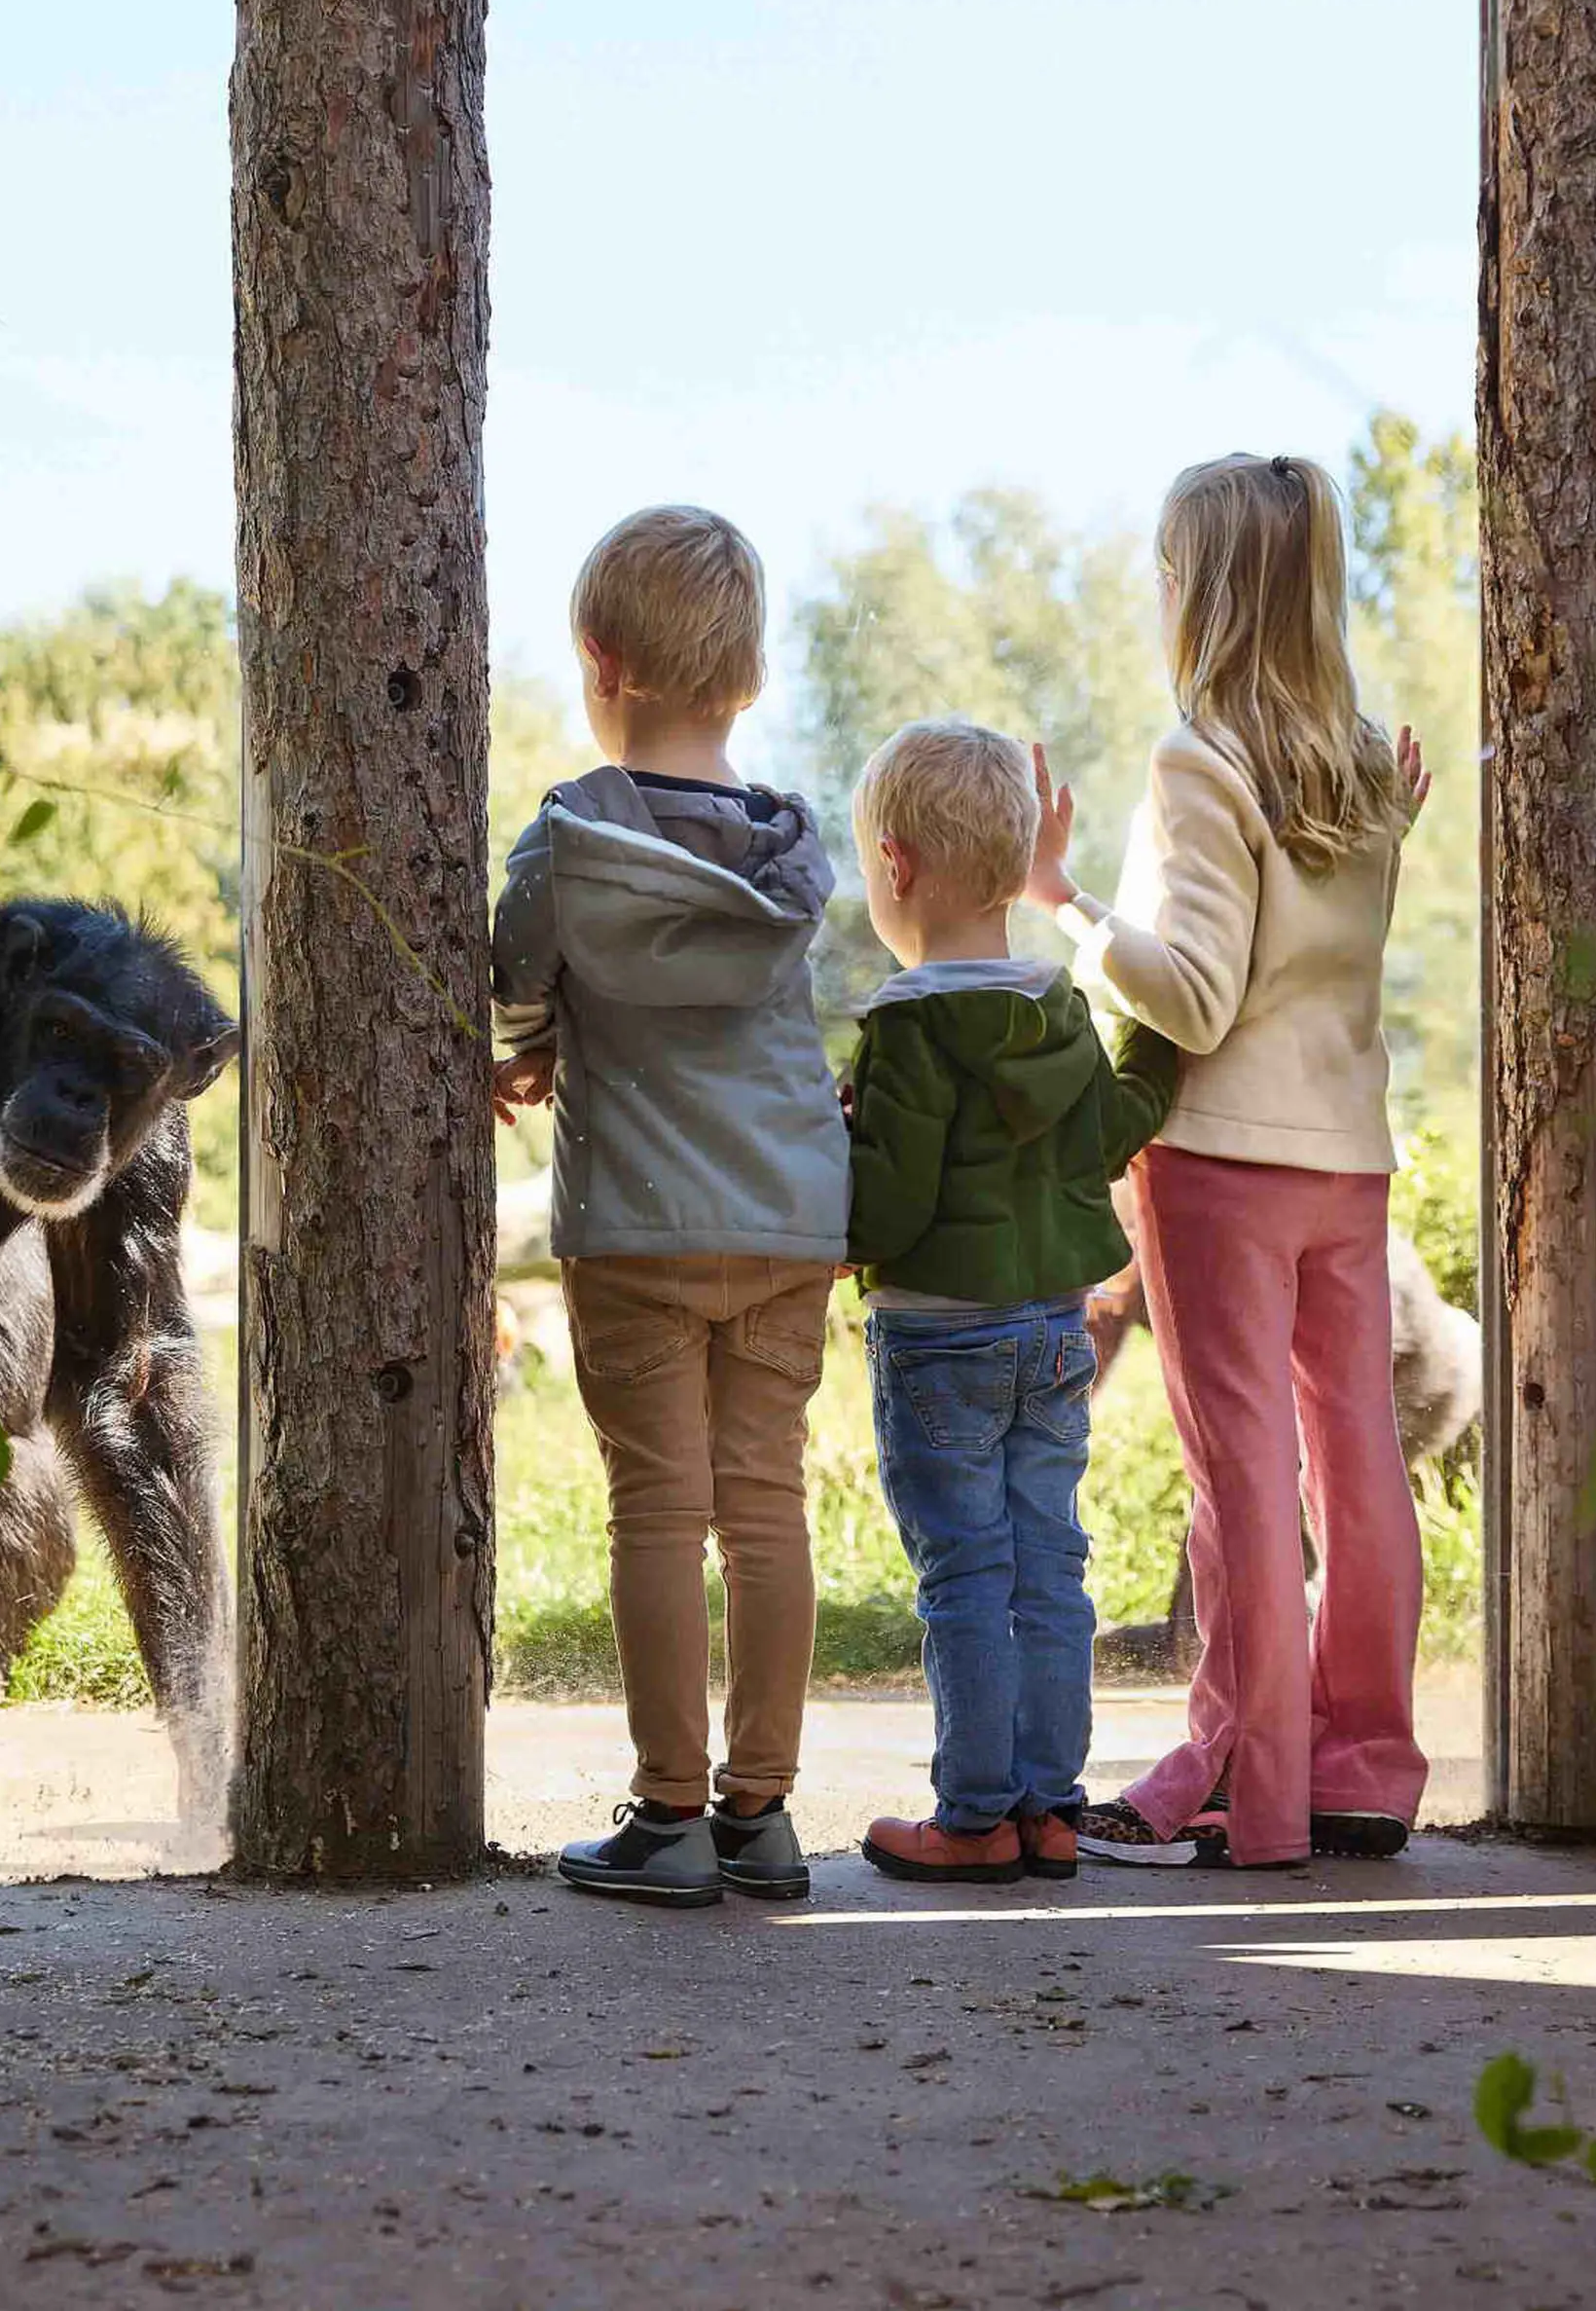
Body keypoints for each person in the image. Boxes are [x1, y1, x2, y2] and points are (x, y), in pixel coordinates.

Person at [1035, 453, 1436, 1870]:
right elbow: (1328, 955)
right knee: (1358, 1459)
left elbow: (1198, 999)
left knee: (1245, 1475)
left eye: (1165, 574)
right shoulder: (1367, 766)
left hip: (1222, 1164)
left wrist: (1065, 902)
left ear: (1199, 595)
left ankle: (1250, 1794)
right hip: (1349, 1160)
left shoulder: (1198, 762)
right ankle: (1364, 1769)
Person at [490, 505, 851, 1907]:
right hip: (786, 1222)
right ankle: (764, 1814)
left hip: (640, 1222)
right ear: (748, 676)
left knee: (656, 1510)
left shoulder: (570, 842)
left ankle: (668, 1815)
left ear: (598, 658)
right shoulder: (789, 859)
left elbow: (514, 980)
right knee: (765, 1507)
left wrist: (536, 1041)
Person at [841, 720, 1179, 1885]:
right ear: (1019, 858)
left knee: (967, 1577)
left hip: (939, 1341)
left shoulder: (909, 1024)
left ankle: (975, 1815)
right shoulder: (1061, 1012)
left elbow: (887, 1212)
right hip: (1053, 1331)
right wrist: (1160, 1039)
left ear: (894, 865)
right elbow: (1114, 1128)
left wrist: (830, 1162)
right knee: (1050, 1569)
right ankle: (1050, 1808)